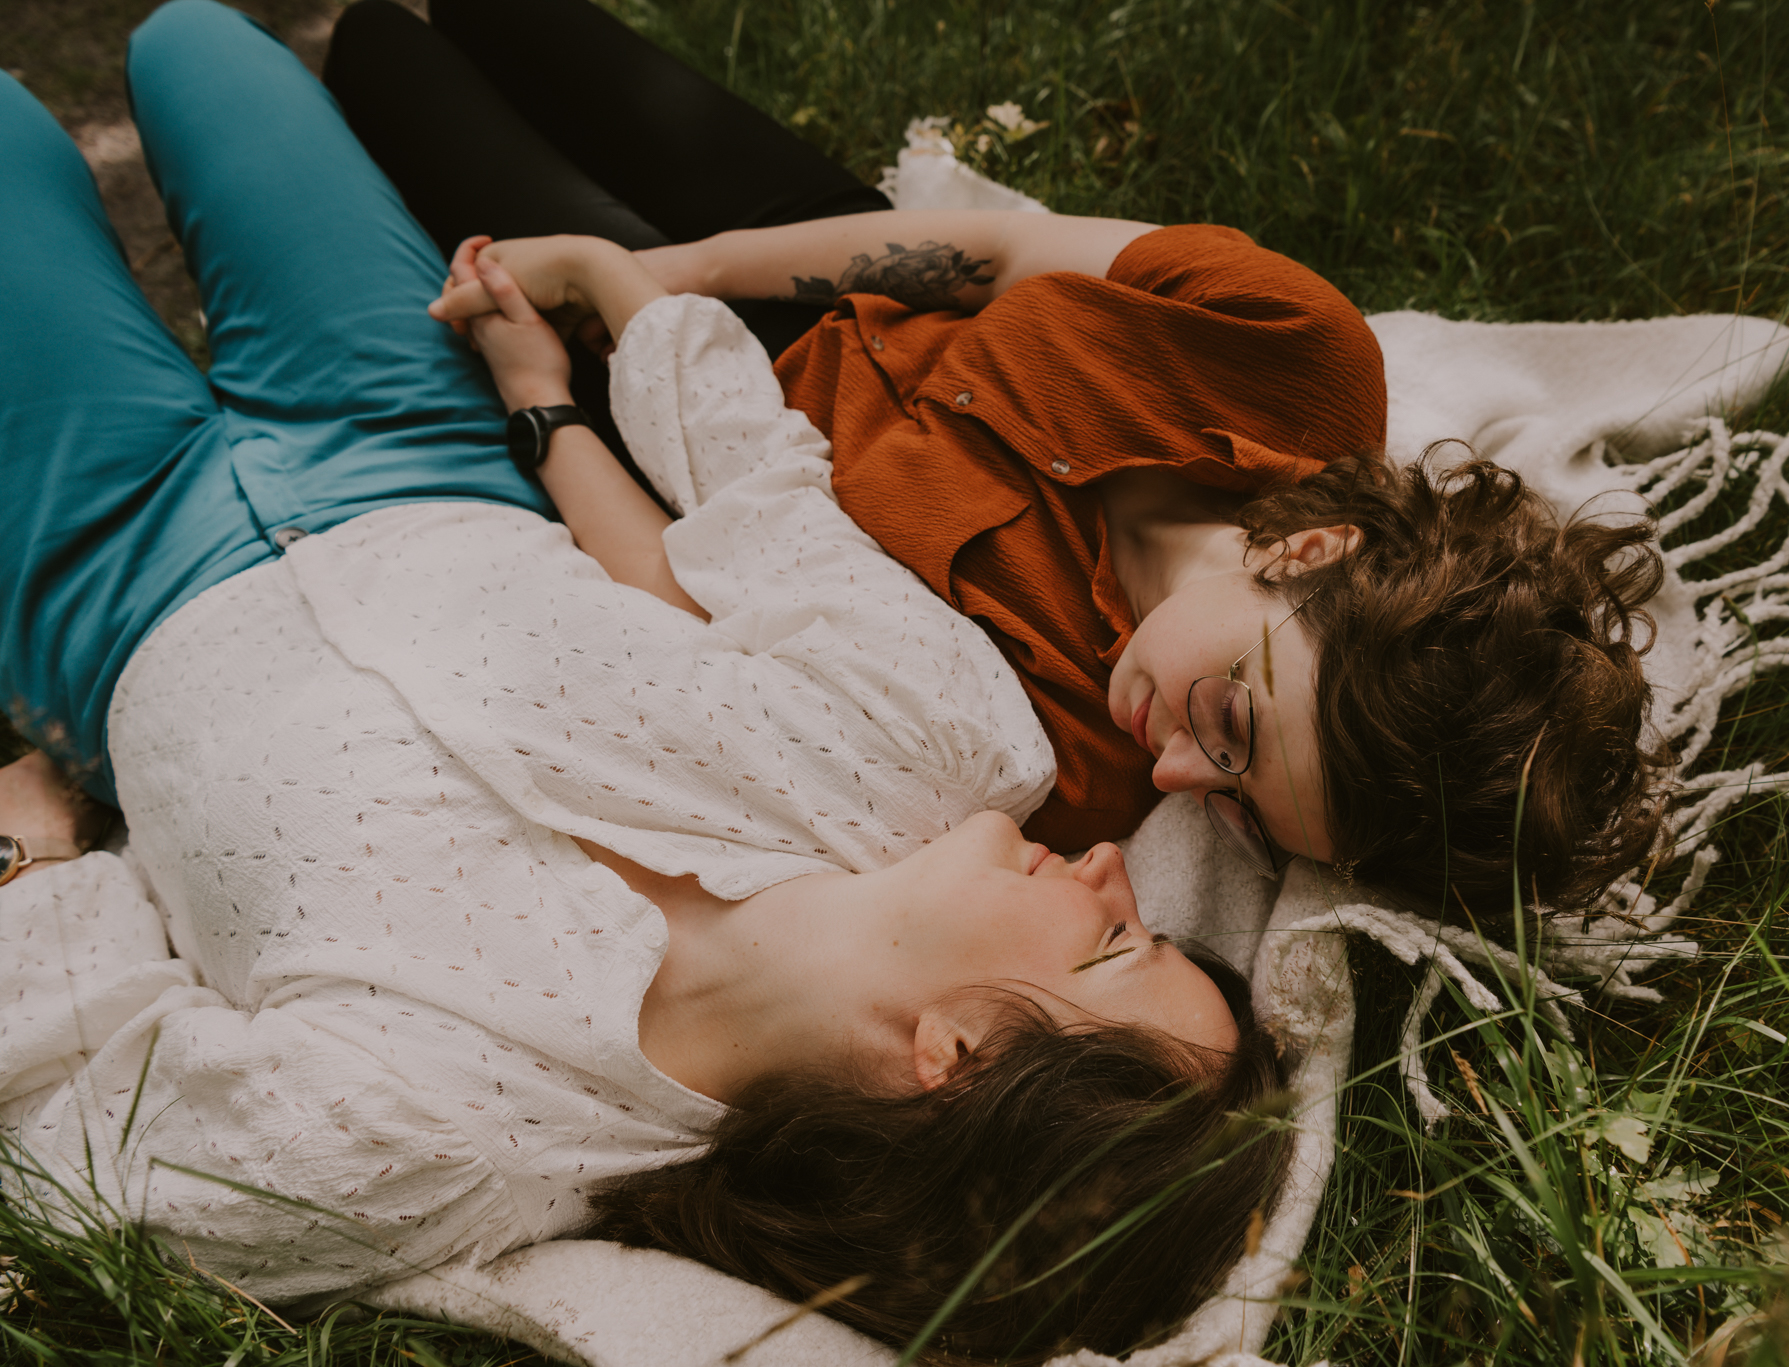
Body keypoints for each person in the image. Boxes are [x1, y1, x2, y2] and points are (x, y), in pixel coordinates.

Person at [0, 5, 1291, 1358]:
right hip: (419, 440)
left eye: (1113, 943)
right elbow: (759, 501)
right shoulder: (959, 747)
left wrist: (35, 853)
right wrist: (583, 348)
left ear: (953, 1055)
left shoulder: (436, 1143)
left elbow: (69, 1122)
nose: (1111, 869)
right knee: (198, 47)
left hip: (105, 592)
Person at [328, 0, 1670, 927]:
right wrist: (685, 264)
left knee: (378, 53)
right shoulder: (1294, 359)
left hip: (700, 411)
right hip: (824, 261)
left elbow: (704, 613)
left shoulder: (1060, 761)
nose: (1177, 780)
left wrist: (552, 396)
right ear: (1311, 553)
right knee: (514, 22)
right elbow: (1002, 255)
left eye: (1241, 812)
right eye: (1233, 729)